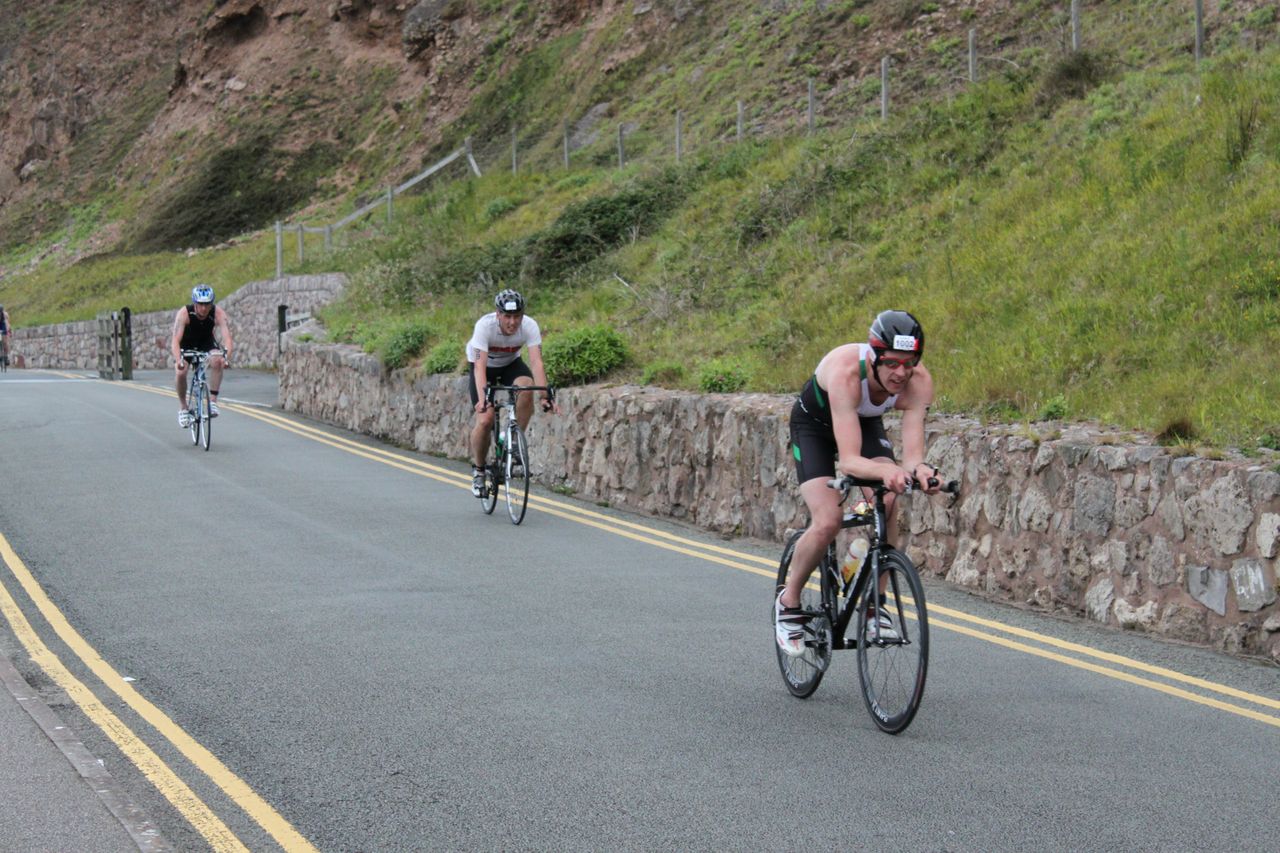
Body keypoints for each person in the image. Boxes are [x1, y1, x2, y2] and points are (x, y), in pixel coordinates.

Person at [775, 310, 941, 655]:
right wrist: (887, 471)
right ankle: (789, 602)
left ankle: (874, 606)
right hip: (814, 429)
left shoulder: (918, 382)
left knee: (891, 499)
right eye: (892, 363)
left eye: (909, 363)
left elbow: (912, 456)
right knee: (828, 521)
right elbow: (849, 461)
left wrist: (920, 471)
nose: (901, 373)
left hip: (863, 423)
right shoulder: (846, 373)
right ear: (874, 356)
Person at [466, 289, 558, 497]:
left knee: (526, 386)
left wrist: (545, 396)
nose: (512, 322)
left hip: (510, 364)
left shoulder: (529, 326)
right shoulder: (484, 327)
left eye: (517, 316)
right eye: (507, 316)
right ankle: (479, 471)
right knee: (485, 420)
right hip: (483, 367)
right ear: (497, 314)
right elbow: (479, 367)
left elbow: (536, 362)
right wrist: (483, 401)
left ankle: (513, 441)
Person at [170, 284, 233, 427]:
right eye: (200, 304)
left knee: (217, 361)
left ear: (211, 303)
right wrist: (179, 359)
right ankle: (184, 408)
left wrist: (226, 357)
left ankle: (213, 401)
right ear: (195, 303)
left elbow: (227, 338)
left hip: (206, 343)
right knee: (181, 372)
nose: (204, 308)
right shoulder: (184, 313)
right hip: (186, 344)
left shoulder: (218, 313)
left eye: (207, 304)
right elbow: (175, 340)